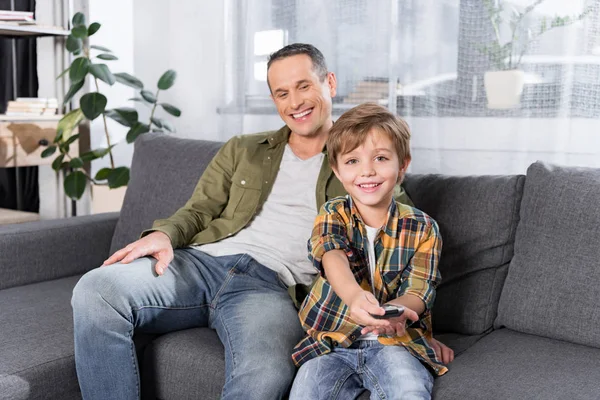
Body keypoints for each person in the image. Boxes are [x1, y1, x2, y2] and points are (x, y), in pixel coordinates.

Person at [71, 43, 452, 400]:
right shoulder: (243, 149)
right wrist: (163, 234)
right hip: (198, 264)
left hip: (272, 288)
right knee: (97, 291)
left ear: (329, 83)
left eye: (304, 86)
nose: (295, 102)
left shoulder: (360, 162)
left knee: (267, 374)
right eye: (281, 93)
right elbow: (200, 209)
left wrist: (412, 328)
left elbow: (393, 242)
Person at [290, 103, 448, 400]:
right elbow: (330, 254)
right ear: (336, 170)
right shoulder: (333, 213)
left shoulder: (424, 228)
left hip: (397, 344)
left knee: (409, 392)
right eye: (352, 161)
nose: (367, 171)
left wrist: (393, 313)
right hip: (333, 344)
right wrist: (353, 297)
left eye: (380, 158)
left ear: (402, 165)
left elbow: (420, 290)